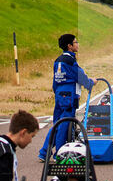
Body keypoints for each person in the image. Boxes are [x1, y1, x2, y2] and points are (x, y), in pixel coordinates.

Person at [37, 34, 94, 162]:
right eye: (75, 42)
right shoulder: (71, 61)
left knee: (57, 123)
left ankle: (44, 152)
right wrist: (91, 82)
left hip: (59, 94)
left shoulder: (58, 60)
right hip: (69, 95)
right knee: (64, 124)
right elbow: (80, 77)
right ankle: (59, 154)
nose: (77, 44)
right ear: (69, 46)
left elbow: (55, 81)